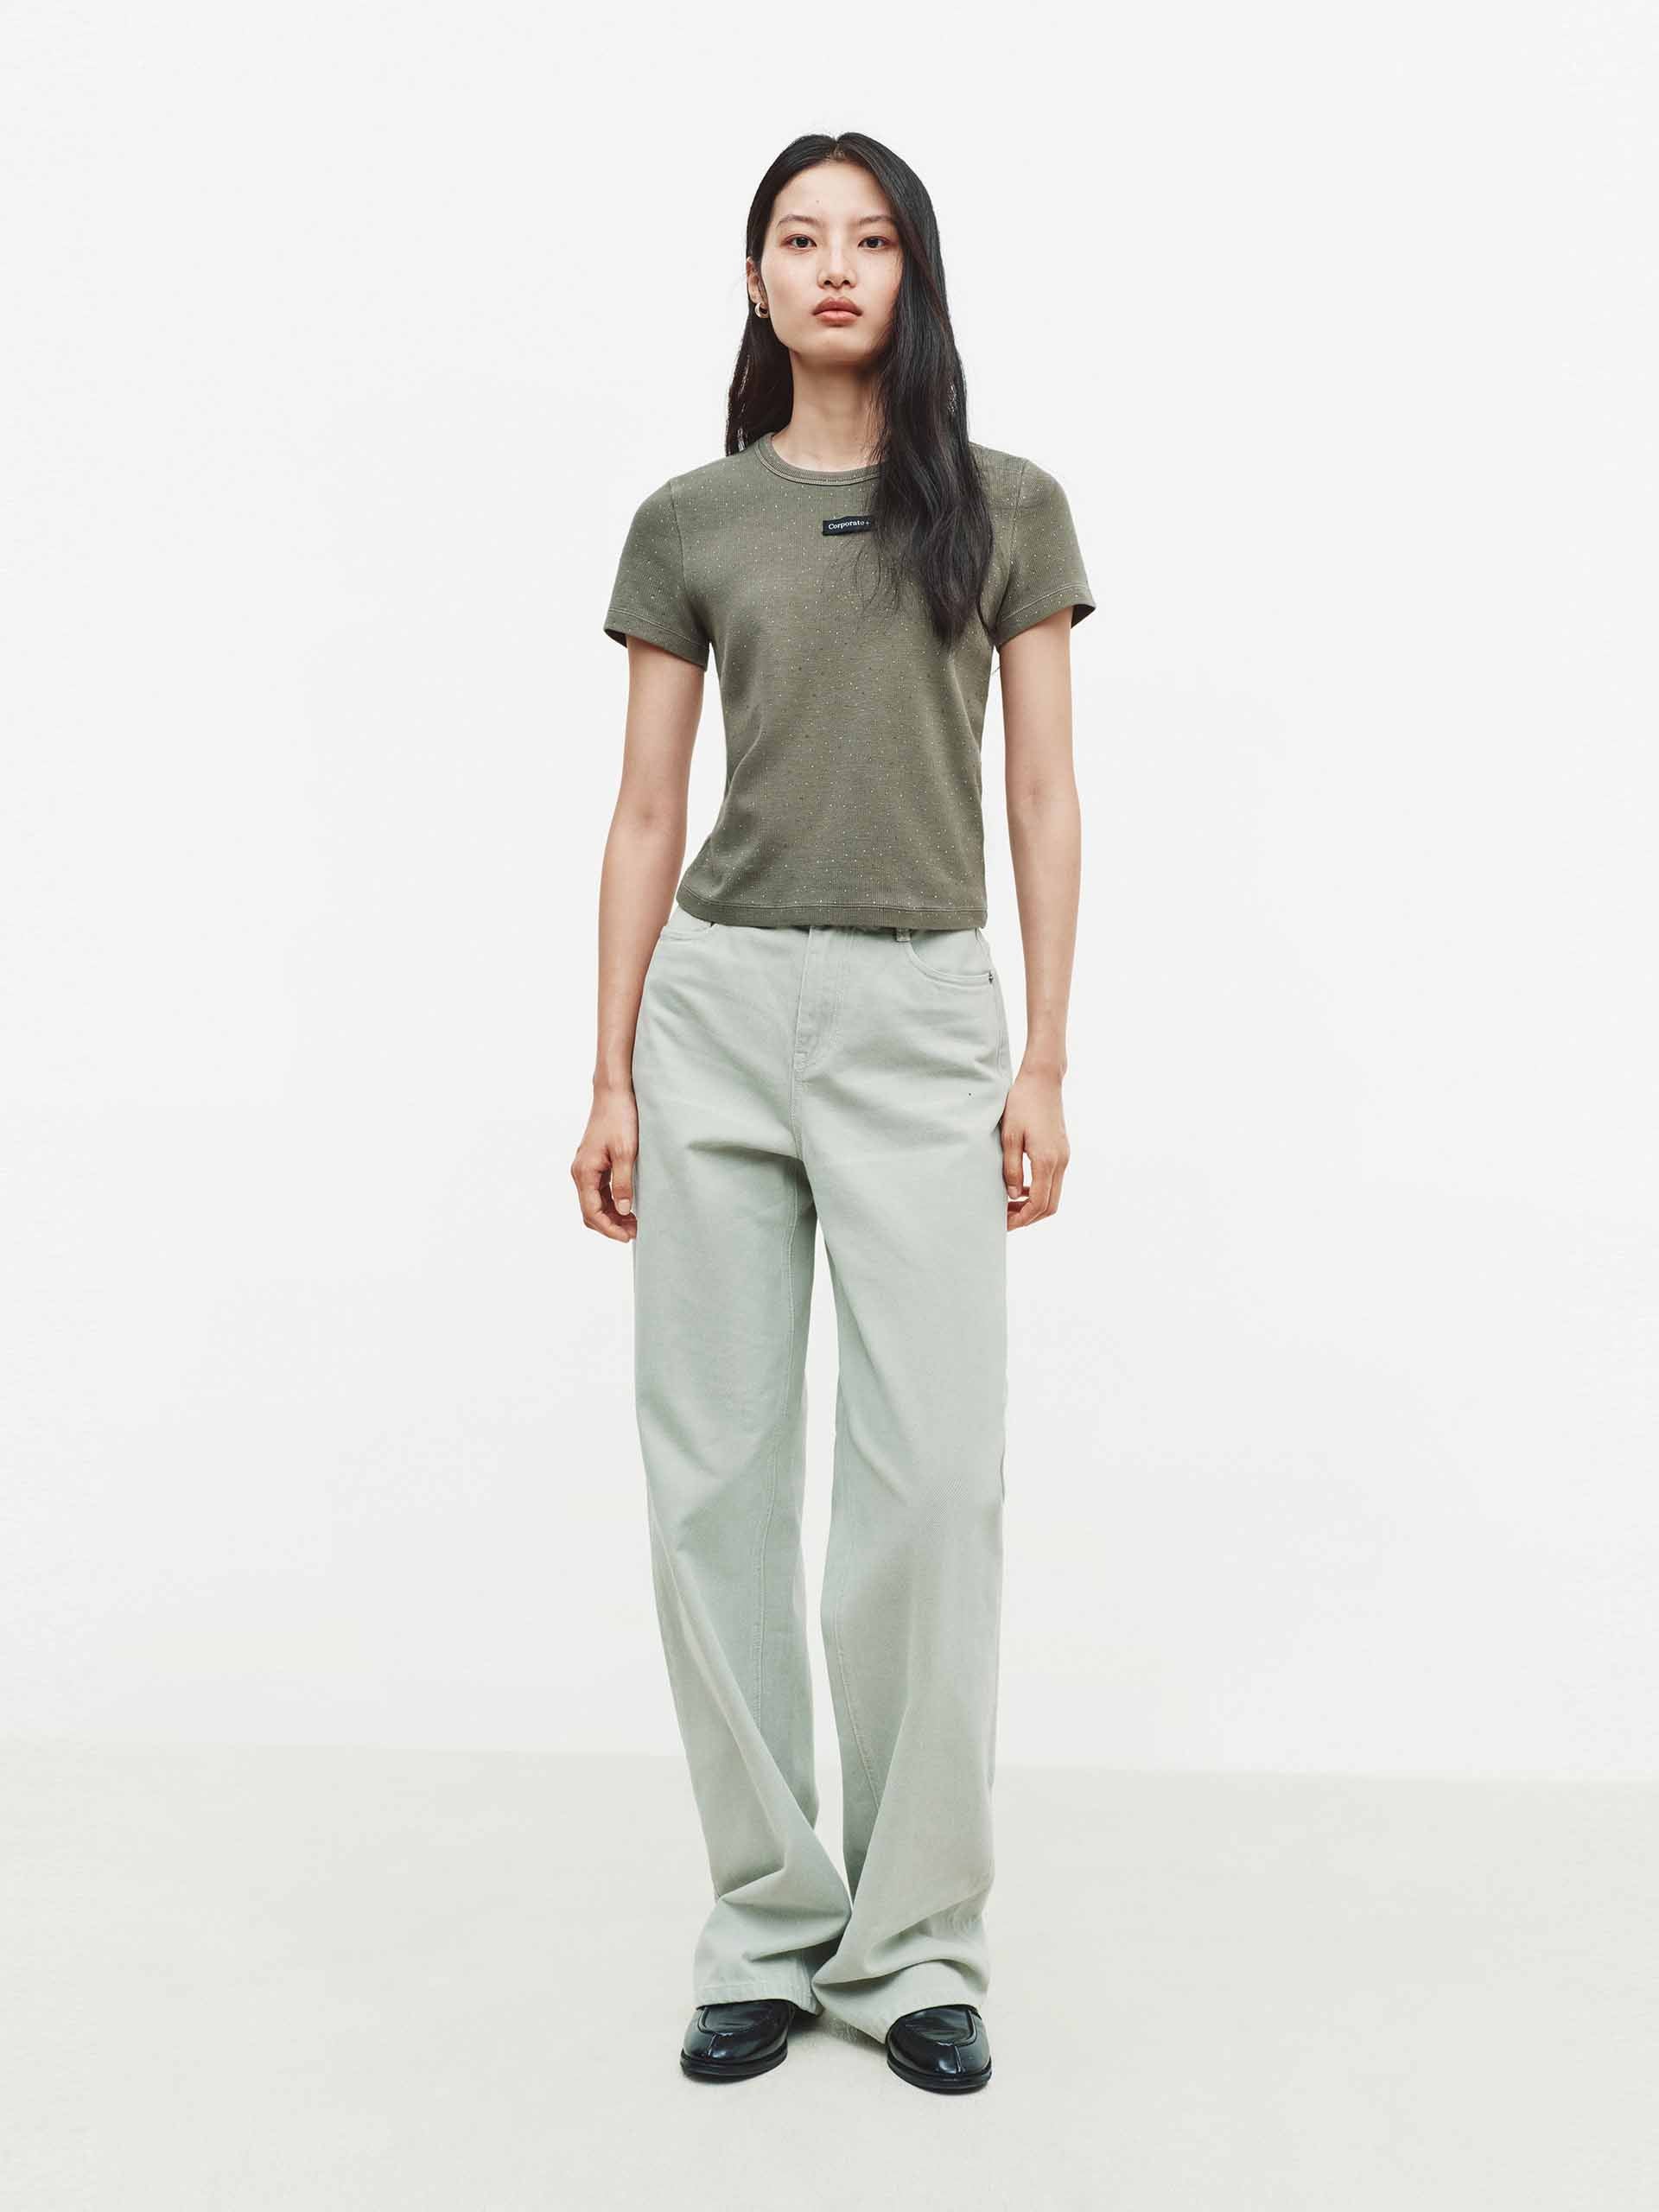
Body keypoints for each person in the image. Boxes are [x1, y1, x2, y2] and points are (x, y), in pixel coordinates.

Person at [573, 130, 1094, 2095]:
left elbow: (1041, 794)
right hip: (715, 1014)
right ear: (756, 280)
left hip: (920, 1016)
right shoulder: (692, 518)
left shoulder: (1008, 506)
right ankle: (767, 1925)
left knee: (932, 1482)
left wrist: (1045, 1057)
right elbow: (646, 809)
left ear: (913, 272)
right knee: (713, 1482)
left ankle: (919, 1942)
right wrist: (608, 1069)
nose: (835, 266)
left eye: (870, 238)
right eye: (799, 239)